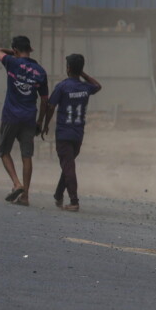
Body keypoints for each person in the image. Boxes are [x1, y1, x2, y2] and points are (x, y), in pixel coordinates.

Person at [38, 53, 102, 212]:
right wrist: (83, 73)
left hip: (64, 134)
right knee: (68, 165)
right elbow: (98, 86)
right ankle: (58, 195)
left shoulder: (62, 87)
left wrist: (46, 125)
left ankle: (74, 201)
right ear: (80, 70)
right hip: (78, 135)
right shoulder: (85, 87)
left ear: (67, 68)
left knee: (68, 166)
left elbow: (50, 106)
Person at [0, 36, 50, 207]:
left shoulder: (11, 62)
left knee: (3, 151)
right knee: (27, 156)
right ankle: (25, 197)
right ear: (30, 49)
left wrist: (14, 53)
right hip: (29, 117)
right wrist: (40, 122)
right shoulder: (40, 71)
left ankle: (17, 183)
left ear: (15, 50)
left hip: (10, 116)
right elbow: (45, 100)